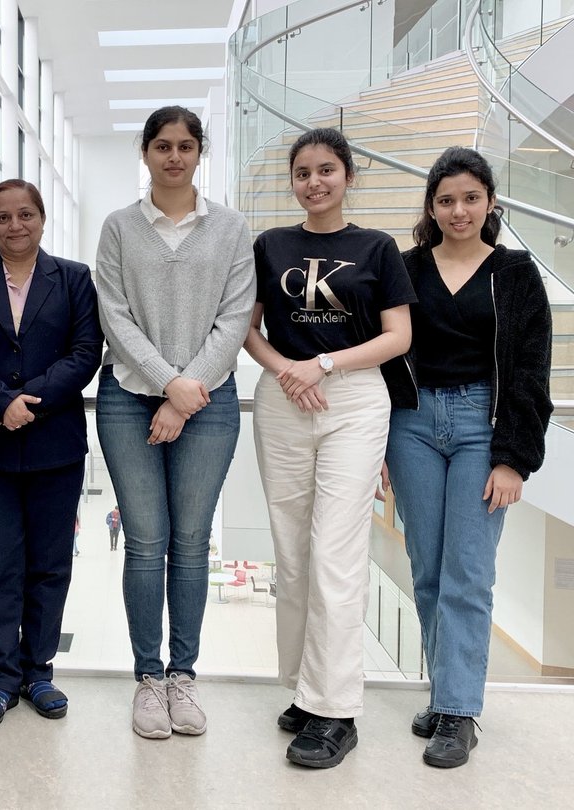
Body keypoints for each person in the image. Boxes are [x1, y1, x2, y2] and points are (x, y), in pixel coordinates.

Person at [243, 127, 414, 769]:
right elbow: (248, 329)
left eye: (326, 170)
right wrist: (289, 370)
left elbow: (397, 336)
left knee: (336, 555)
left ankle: (337, 709)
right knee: (290, 553)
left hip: (353, 399)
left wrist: (323, 365)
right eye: (303, 172)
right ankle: (306, 689)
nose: (314, 182)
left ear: (347, 176)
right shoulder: (271, 245)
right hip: (284, 398)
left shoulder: (377, 247)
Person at [383, 147, 552, 769]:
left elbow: (531, 370)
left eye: (470, 198)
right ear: (432, 206)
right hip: (414, 424)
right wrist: (377, 446)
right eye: (446, 199)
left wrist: (514, 459)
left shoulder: (515, 272)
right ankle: (443, 692)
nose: (459, 210)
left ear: (489, 202)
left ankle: (459, 711)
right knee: (427, 569)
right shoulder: (404, 269)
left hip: (485, 425)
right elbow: (383, 357)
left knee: (469, 573)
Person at [95, 106, 255, 741]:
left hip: (209, 404)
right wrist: (169, 384)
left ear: (200, 152)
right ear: (145, 153)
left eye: (186, 146)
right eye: (162, 146)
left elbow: (235, 317)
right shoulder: (118, 228)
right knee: (144, 543)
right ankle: (147, 680)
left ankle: (183, 677)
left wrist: (186, 394)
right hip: (129, 398)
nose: (174, 157)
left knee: (190, 544)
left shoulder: (232, 229)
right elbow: (114, 314)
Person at [0, 179, 102, 730]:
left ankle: (39, 672)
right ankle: (0, 679)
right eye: (4, 217)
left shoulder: (75, 279)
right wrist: (0, 401)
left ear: (41, 219)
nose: (16, 226)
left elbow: (87, 352)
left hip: (55, 443)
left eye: (26, 214)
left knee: (49, 563)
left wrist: (28, 401)